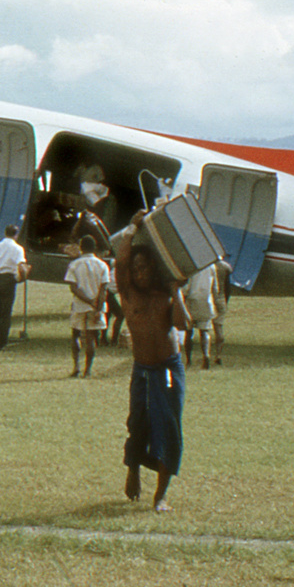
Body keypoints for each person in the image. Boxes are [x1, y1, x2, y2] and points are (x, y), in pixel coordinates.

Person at [115, 210, 191, 512]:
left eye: (144, 267)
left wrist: (177, 293)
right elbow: (120, 261)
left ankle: (161, 496)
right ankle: (133, 471)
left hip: (167, 370)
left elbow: (183, 325)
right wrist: (132, 227)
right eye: (136, 268)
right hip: (142, 370)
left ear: (154, 269)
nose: (139, 272)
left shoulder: (164, 297)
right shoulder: (128, 295)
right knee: (137, 423)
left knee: (168, 427)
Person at [64, 235, 110, 377]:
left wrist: (87, 300)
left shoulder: (75, 264)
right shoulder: (102, 265)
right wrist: (97, 306)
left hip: (80, 305)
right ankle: (87, 370)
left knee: (76, 334)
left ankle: (76, 367)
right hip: (96, 306)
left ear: (81, 248)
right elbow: (103, 289)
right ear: (94, 248)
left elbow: (73, 287)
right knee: (91, 338)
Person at [0, 224, 28, 351]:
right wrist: (22, 277)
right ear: (16, 234)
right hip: (8, 280)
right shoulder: (18, 249)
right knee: (5, 313)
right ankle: (1, 343)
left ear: (5, 233)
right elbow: (21, 266)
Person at [182, 261, 217, 370]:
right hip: (206, 300)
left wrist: (182, 295)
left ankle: (188, 360)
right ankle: (206, 355)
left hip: (192, 300)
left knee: (188, 332)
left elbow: (186, 286)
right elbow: (215, 286)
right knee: (205, 331)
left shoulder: (192, 265)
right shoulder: (211, 265)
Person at [210, 258, 231, 366]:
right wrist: (225, 301)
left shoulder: (207, 267)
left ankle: (206, 353)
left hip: (209, 298)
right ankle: (218, 354)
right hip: (221, 298)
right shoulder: (226, 267)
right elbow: (228, 287)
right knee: (218, 327)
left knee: (204, 328)